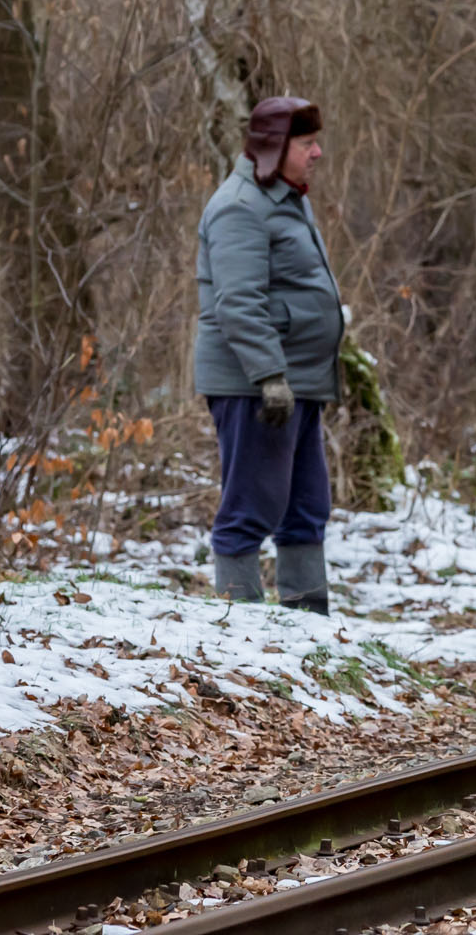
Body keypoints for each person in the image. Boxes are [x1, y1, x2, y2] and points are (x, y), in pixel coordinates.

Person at [194, 96, 344, 613]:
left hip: (296, 380)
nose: (317, 152)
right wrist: (270, 375)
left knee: (306, 508)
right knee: (250, 508)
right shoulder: (240, 207)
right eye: (306, 143)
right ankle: (242, 628)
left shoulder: (285, 198)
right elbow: (237, 303)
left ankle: (310, 626)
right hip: (255, 386)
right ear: (273, 148)